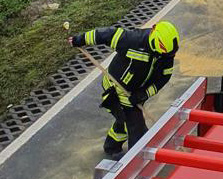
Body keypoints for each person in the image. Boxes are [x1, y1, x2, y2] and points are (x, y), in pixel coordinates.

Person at [68, 21, 179, 156]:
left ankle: (111, 147)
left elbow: (163, 78)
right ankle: (137, 162)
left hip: (136, 93)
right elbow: (106, 34)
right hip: (116, 89)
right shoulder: (133, 40)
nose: (168, 58)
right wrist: (80, 39)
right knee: (137, 129)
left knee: (123, 122)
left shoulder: (167, 53)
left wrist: (144, 94)